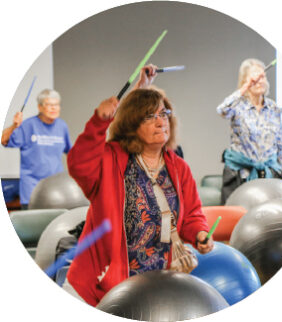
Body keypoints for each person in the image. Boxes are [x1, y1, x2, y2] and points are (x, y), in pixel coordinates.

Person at [65, 65, 213, 306]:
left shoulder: (178, 167)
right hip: (101, 287)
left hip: (155, 284)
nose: (160, 122)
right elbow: (78, 164)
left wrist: (200, 234)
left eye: (163, 114)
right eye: (149, 116)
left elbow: (192, 215)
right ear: (132, 124)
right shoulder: (112, 159)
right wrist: (98, 122)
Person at [216, 58, 282, 204]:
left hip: (269, 175)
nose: (259, 81)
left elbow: (280, 142)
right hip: (240, 175)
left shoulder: (273, 108)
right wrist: (245, 87)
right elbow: (221, 110)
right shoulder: (237, 106)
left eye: (262, 77)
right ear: (245, 81)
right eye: (254, 78)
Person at [2, 89, 72, 209]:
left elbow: (71, 152)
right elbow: (4, 140)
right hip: (31, 192)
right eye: (49, 105)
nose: (54, 108)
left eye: (56, 105)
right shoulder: (28, 125)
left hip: (56, 191)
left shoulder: (62, 126)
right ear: (40, 107)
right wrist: (14, 125)